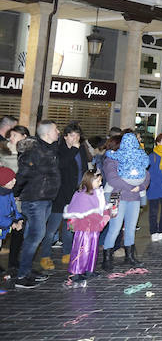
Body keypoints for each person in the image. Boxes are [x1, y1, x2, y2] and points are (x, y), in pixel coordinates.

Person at [13, 120, 61, 288]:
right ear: (47, 133)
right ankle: (22, 276)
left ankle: (26, 269)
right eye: (56, 129)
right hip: (34, 200)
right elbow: (23, 174)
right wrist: (16, 193)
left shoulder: (49, 148)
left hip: (45, 198)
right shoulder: (34, 151)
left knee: (31, 236)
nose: (58, 132)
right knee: (36, 236)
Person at [40, 122, 90, 271]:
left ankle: (67, 252)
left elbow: (84, 168)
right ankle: (45, 255)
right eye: (72, 135)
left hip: (75, 194)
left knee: (70, 226)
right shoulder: (59, 149)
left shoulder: (80, 149)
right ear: (66, 136)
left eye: (78, 135)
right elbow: (61, 165)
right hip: (60, 194)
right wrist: (73, 150)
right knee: (52, 228)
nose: (75, 139)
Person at [100, 133, 148, 270]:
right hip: (118, 198)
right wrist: (133, 186)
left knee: (131, 228)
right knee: (115, 228)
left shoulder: (136, 156)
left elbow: (146, 174)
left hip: (134, 199)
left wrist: (142, 186)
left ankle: (130, 256)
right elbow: (112, 179)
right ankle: (107, 258)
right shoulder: (111, 160)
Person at [61, 170, 110, 287]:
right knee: (82, 248)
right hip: (84, 227)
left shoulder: (98, 193)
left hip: (94, 226)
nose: (100, 183)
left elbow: (101, 206)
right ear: (90, 181)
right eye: (98, 181)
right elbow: (77, 210)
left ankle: (89, 270)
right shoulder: (82, 195)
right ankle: (76, 272)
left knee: (92, 249)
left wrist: (106, 211)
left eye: (100, 181)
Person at [1, 125, 28, 277]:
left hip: (21, 200)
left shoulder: (28, 155)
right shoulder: (3, 153)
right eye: (10, 135)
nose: (11, 138)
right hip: (4, 198)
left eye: (15, 135)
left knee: (18, 231)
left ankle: (13, 262)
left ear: (24, 137)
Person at [0, 166, 23, 278]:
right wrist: (12, 223)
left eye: (14, 178)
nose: (14, 181)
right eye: (11, 179)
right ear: (3, 181)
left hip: (3, 227)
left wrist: (19, 219)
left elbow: (13, 209)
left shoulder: (9, 192)